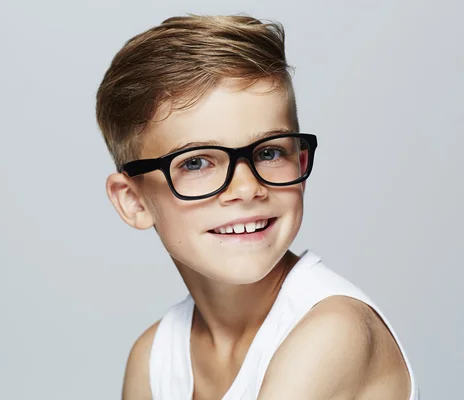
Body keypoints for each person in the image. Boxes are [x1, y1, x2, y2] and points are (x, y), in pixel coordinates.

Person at [95, 14, 419, 400]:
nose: (247, 188)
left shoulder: (333, 331)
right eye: (196, 162)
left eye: (268, 152)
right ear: (133, 201)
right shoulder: (152, 361)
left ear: (300, 163)